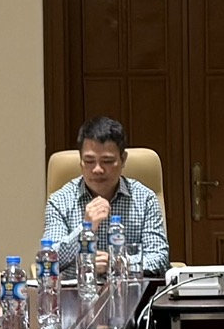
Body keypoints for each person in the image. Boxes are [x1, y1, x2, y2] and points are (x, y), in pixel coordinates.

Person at [44, 115, 169, 270]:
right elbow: (48, 261)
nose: (97, 169)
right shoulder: (59, 201)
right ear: (80, 162)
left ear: (123, 160)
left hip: (129, 284)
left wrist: (119, 263)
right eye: (89, 161)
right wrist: (85, 229)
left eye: (107, 161)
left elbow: (160, 258)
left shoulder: (145, 199)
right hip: (77, 285)